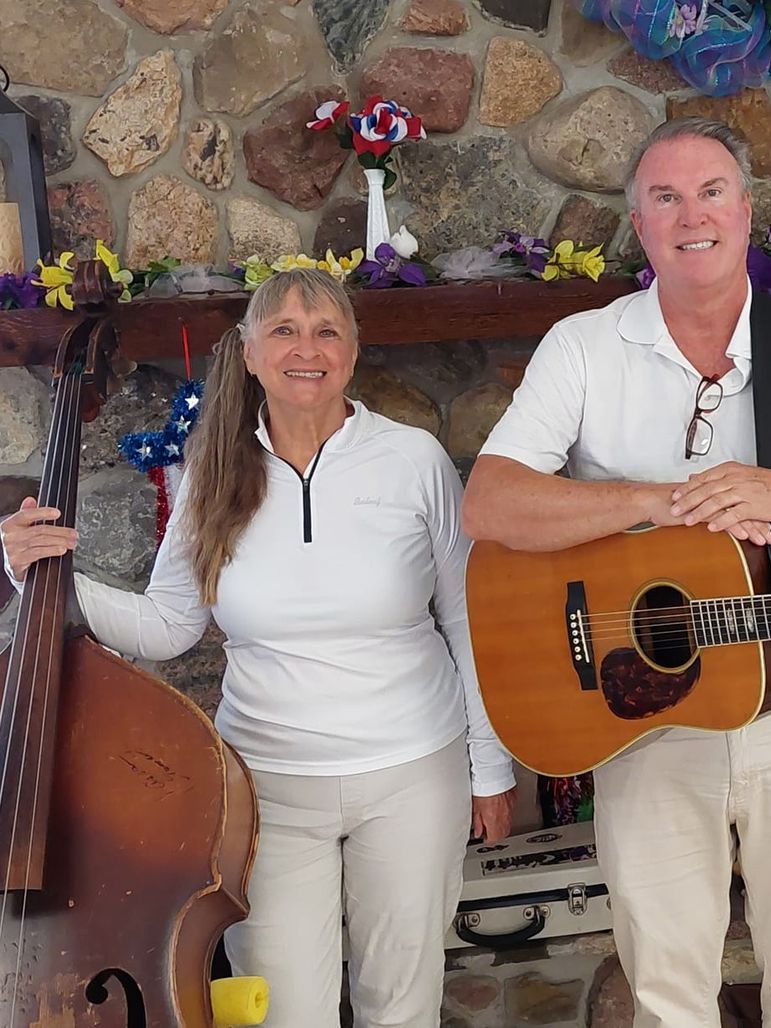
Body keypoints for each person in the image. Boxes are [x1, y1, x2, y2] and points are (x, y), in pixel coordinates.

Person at [461, 117, 771, 1028]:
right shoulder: (582, 346)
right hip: (646, 717)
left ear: (746, 211)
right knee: (666, 999)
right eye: (665, 197)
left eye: (710, 193)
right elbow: (490, 504)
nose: (690, 215)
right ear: (639, 220)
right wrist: (660, 503)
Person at [1, 268, 517, 1028]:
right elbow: (169, 624)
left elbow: (468, 618)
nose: (305, 349)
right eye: (283, 330)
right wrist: (36, 575)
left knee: (402, 1006)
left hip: (415, 774)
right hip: (264, 790)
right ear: (247, 352)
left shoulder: (414, 461)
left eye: (325, 331)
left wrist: (489, 768)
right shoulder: (210, 471)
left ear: (351, 349)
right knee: (280, 1013)